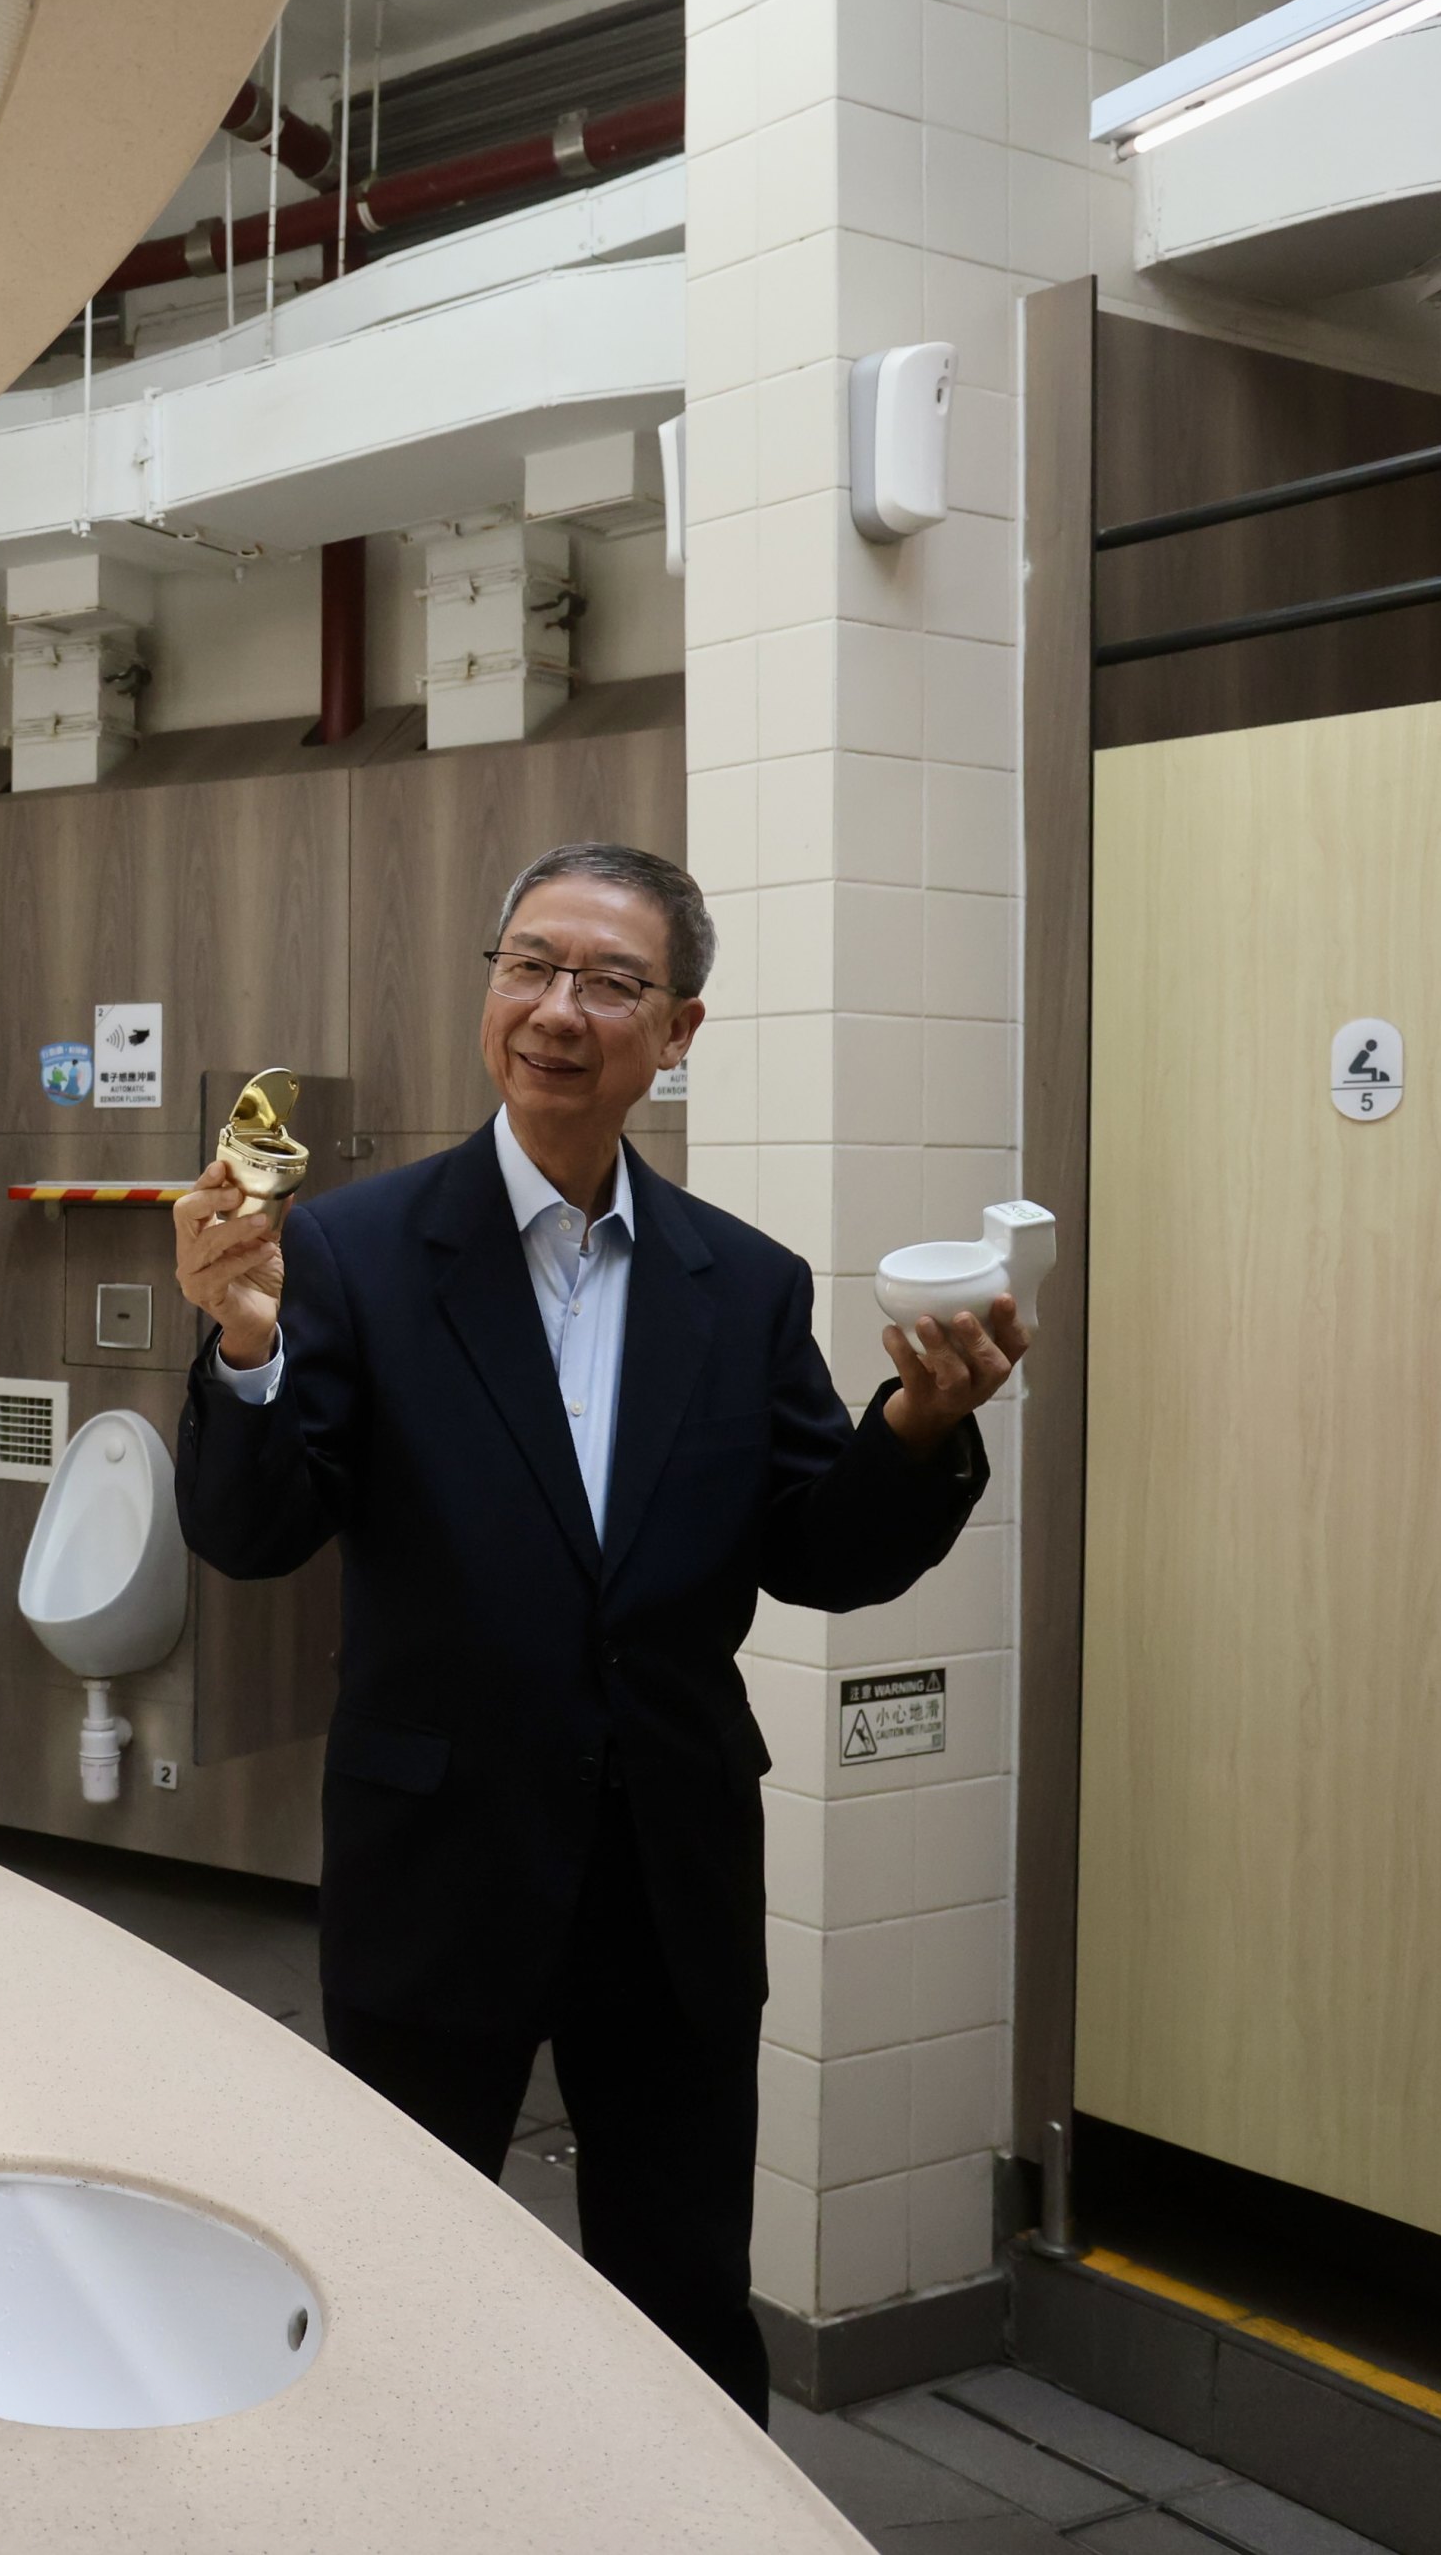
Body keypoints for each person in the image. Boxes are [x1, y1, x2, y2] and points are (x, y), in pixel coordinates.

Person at [167, 839, 1023, 2417]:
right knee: (397, 2263)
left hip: (668, 1862)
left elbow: (813, 1554)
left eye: (610, 982)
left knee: (680, 2285)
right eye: (529, 966)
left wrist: (910, 1429)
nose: (557, 1009)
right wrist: (240, 1347)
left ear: (676, 1030)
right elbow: (249, 1532)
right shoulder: (350, 1251)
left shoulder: (739, 1285)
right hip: (436, 1856)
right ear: (488, 988)